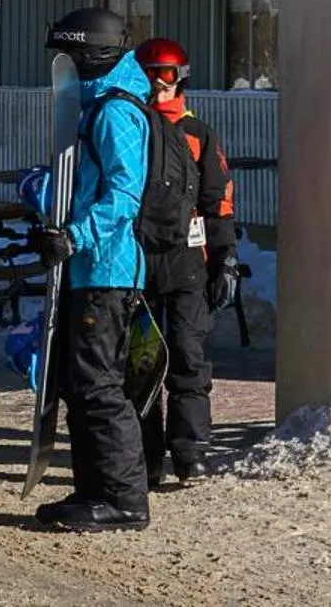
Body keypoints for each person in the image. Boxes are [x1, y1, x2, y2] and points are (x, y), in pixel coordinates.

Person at [31, 7, 153, 533]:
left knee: (101, 387)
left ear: (91, 55)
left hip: (108, 270)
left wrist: (75, 235)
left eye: (71, 56)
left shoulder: (115, 113)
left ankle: (125, 500)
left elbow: (126, 193)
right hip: (89, 268)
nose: (66, 66)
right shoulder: (95, 107)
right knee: (81, 385)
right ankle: (93, 491)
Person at [131, 37, 237, 485]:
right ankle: (144, 456)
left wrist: (225, 257)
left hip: (188, 261)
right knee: (139, 362)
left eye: (167, 74)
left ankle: (190, 451)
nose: (158, 84)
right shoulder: (127, 128)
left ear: (182, 78)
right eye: (149, 74)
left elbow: (219, 200)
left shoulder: (197, 133)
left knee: (189, 356)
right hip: (136, 262)